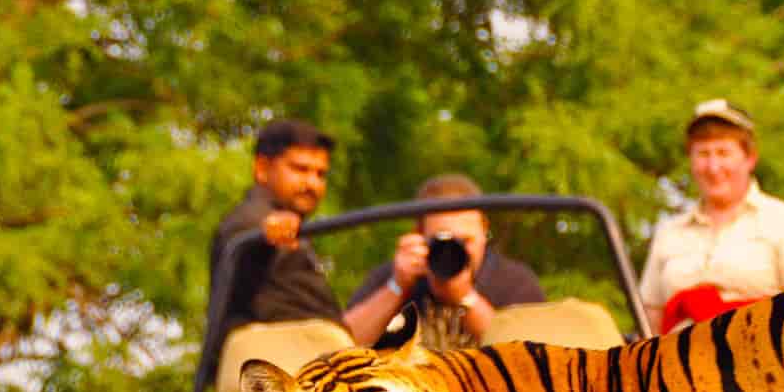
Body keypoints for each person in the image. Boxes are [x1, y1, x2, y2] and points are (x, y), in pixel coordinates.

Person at [209, 118, 409, 345]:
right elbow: (245, 241)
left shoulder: (295, 232)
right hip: (273, 363)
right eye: (300, 169)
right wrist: (269, 231)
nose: (312, 183)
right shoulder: (250, 220)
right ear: (263, 169)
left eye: (320, 174)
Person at [637, 99, 784, 334]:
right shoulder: (669, 232)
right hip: (676, 363)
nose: (713, 167)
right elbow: (648, 324)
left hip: (760, 363)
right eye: (703, 154)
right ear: (691, 161)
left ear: (750, 159)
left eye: (723, 152)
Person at [351, 174, 545, 350]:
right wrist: (397, 287)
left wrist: (466, 299)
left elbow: (533, 359)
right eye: (443, 240)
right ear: (419, 233)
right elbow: (344, 345)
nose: (453, 252)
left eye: (465, 241)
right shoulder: (394, 278)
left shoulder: (515, 282)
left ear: (484, 229)